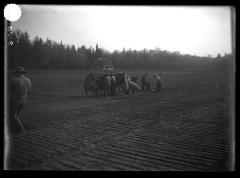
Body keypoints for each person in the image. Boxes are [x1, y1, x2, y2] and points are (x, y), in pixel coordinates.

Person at [8, 66, 32, 134]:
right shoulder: (28, 80)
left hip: (15, 101)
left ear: (17, 73)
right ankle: (15, 127)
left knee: (13, 116)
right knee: (16, 116)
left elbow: (9, 91)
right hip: (23, 101)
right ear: (23, 73)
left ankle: (22, 130)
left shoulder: (14, 80)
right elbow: (29, 92)